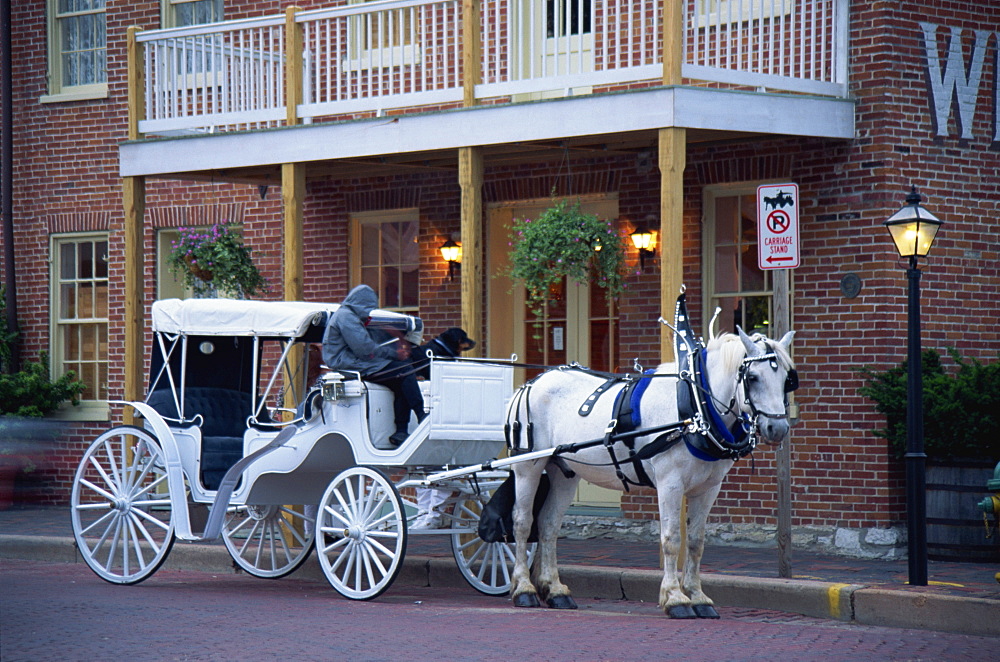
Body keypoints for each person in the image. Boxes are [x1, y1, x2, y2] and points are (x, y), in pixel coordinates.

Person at [322, 284, 425, 447]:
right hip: (350, 365)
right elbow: (364, 348)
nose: (368, 311)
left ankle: (401, 432)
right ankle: (421, 415)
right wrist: (394, 354)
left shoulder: (349, 315)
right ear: (361, 303)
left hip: (356, 362)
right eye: (368, 307)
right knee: (403, 370)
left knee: (401, 382)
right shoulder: (346, 317)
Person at [410, 327, 476, 530]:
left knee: (436, 467)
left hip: (447, 412)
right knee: (425, 467)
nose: (466, 344)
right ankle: (427, 513)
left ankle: (432, 513)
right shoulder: (437, 356)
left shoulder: (442, 353)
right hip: (432, 410)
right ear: (454, 342)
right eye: (462, 341)